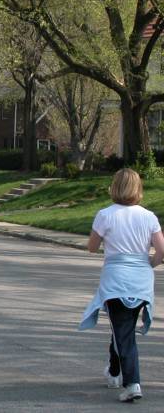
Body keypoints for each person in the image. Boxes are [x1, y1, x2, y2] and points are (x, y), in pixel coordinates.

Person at [79, 168, 164, 403]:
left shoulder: (105, 215)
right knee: (121, 327)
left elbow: (92, 247)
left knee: (123, 331)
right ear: (139, 189)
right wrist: (149, 263)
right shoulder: (148, 217)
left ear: (114, 187)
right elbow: (161, 251)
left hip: (116, 279)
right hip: (141, 279)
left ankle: (132, 382)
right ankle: (115, 372)